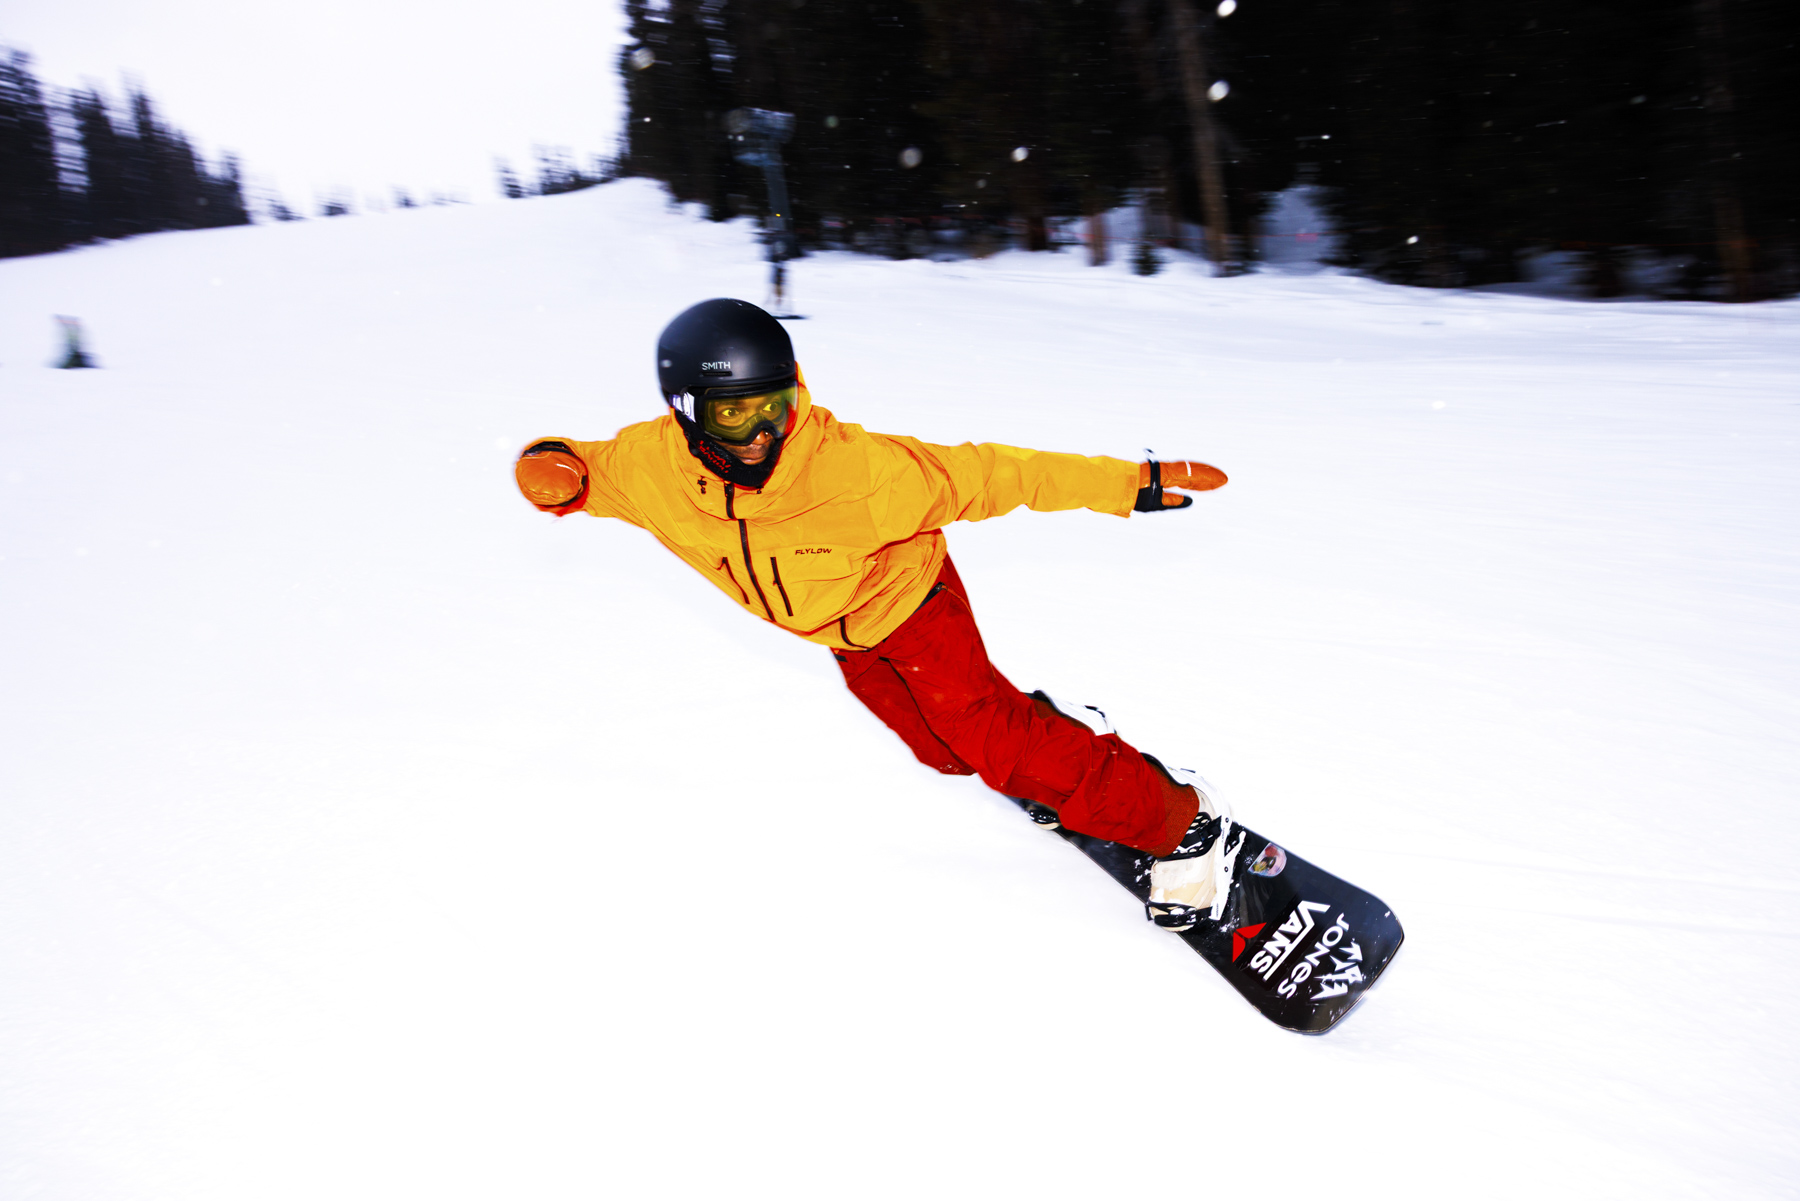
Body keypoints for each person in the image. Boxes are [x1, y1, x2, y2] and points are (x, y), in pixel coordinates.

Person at [514, 298, 1236, 930]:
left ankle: (1182, 823)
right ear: (686, 412)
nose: (762, 434)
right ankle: (1053, 735)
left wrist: (1129, 482)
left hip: (914, 607)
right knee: (943, 751)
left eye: (775, 408)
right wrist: (549, 470)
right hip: (846, 637)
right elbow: (580, 467)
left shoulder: (860, 473)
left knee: (991, 738)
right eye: (734, 414)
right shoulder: (651, 470)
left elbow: (999, 473)